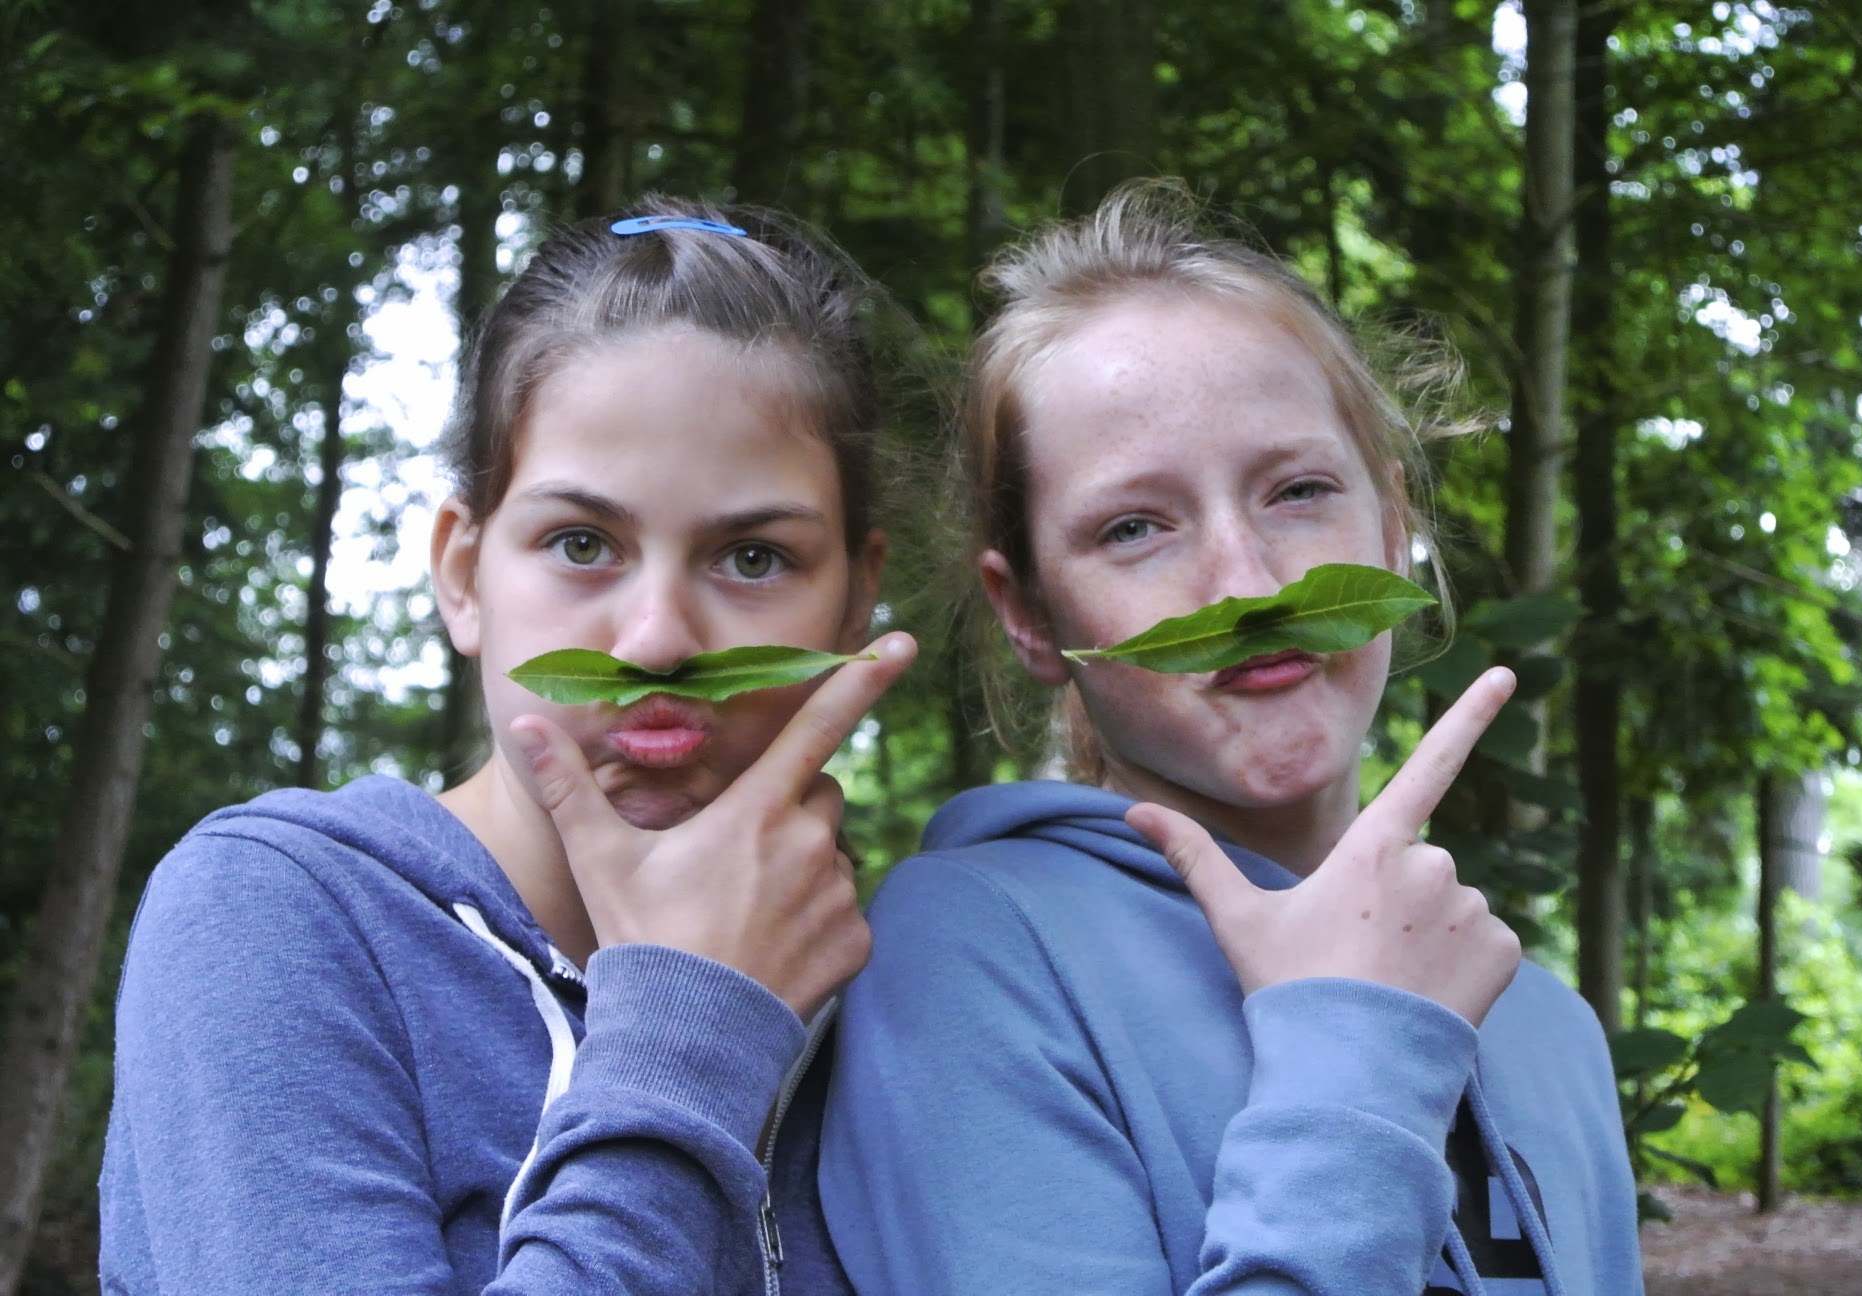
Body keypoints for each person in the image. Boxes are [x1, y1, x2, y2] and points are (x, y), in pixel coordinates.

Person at [818, 182, 1642, 1295]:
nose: (1247, 585)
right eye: (1134, 527)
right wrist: (1360, 1055)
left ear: (1393, 527)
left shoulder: (1548, 1031)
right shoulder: (969, 959)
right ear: (1031, 615)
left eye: (1297, 492)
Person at [100, 197, 915, 1294]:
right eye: (581, 543)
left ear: (855, 599)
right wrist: (692, 1027)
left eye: (754, 558)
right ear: (463, 575)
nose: (657, 641)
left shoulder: (903, 999)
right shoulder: (278, 914)